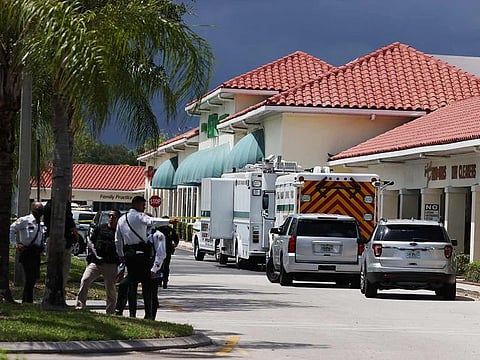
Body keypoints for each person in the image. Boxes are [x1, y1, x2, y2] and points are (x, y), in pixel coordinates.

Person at [114, 196, 174, 319]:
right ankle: (148, 315)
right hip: (141, 254)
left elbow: (117, 240)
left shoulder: (121, 220)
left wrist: (121, 255)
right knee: (146, 285)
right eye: (143, 205)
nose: (144, 208)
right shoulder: (139, 216)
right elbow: (151, 221)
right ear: (136, 204)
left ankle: (131, 313)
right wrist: (169, 221)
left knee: (132, 283)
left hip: (128, 254)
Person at [75, 209, 121, 314]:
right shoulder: (101, 228)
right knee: (85, 280)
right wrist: (91, 247)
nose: (110, 218)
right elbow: (91, 240)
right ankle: (80, 306)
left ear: (118, 219)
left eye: (113, 216)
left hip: (111, 264)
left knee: (110, 289)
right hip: (96, 262)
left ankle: (110, 311)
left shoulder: (120, 231)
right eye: (109, 216)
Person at [9, 202, 45, 303]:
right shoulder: (25, 220)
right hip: (27, 251)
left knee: (34, 277)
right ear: (32, 209)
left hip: (36, 252)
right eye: (38, 209)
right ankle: (27, 300)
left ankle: (27, 299)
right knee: (30, 277)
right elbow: (12, 229)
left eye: (41, 209)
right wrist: (15, 244)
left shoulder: (40, 223)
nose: (40, 211)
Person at [43, 199, 79, 290]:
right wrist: (76, 235)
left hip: (50, 239)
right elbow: (70, 221)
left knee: (51, 269)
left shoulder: (48, 205)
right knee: (63, 270)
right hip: (64, 241)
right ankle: (60, 292)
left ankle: (50, 290)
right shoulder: (64, 203)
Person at [145, 225, 167, 320]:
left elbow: (161, 254)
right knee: (145, 293)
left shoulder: (158, 235)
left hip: (153, 269)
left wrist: (154, 269)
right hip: (141, 267)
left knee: (152, 293)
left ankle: (151, 316)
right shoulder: (138, 233)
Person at [158, 221, 179, 289]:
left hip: (168, 250)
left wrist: (175, 244)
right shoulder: (159, 230)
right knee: (159, 266)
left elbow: (176, 239)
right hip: (159, 251)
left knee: (166, 266)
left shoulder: (170, 230)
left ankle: (165, 281)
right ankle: (159, 280)